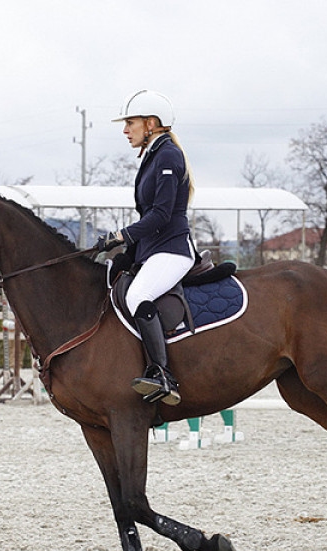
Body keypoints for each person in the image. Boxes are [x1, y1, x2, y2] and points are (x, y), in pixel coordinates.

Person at [98, 90, 196, 406]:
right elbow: (149, 216)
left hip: (172, 250)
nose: (126, 131)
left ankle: (162, 375)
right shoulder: (154, 156)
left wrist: (121, 235)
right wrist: (125, 252)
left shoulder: (168, 156)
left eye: (130, 123)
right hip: (154, 248)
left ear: (151, 123)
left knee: (138, 295)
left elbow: (162, 214)